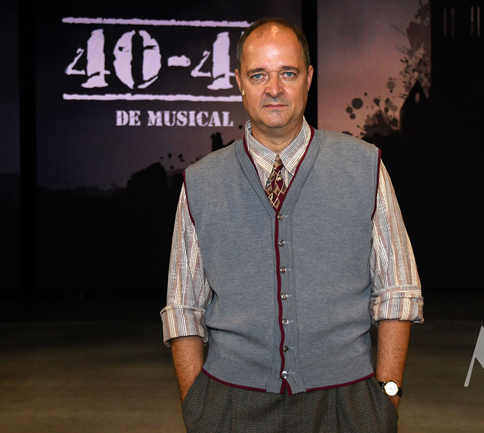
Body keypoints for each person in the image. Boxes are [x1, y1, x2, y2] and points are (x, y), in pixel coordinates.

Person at [160, 17, 423, 432]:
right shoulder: (201, 182)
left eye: (288, 73)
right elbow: (183, 308)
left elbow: (398, 292)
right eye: (258, 75)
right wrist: (199, 407)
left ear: (308, 78)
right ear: (239, 82)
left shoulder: (364, 166)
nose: (274, 89)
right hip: (230, 405)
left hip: (347, 405)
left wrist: (386, 397)